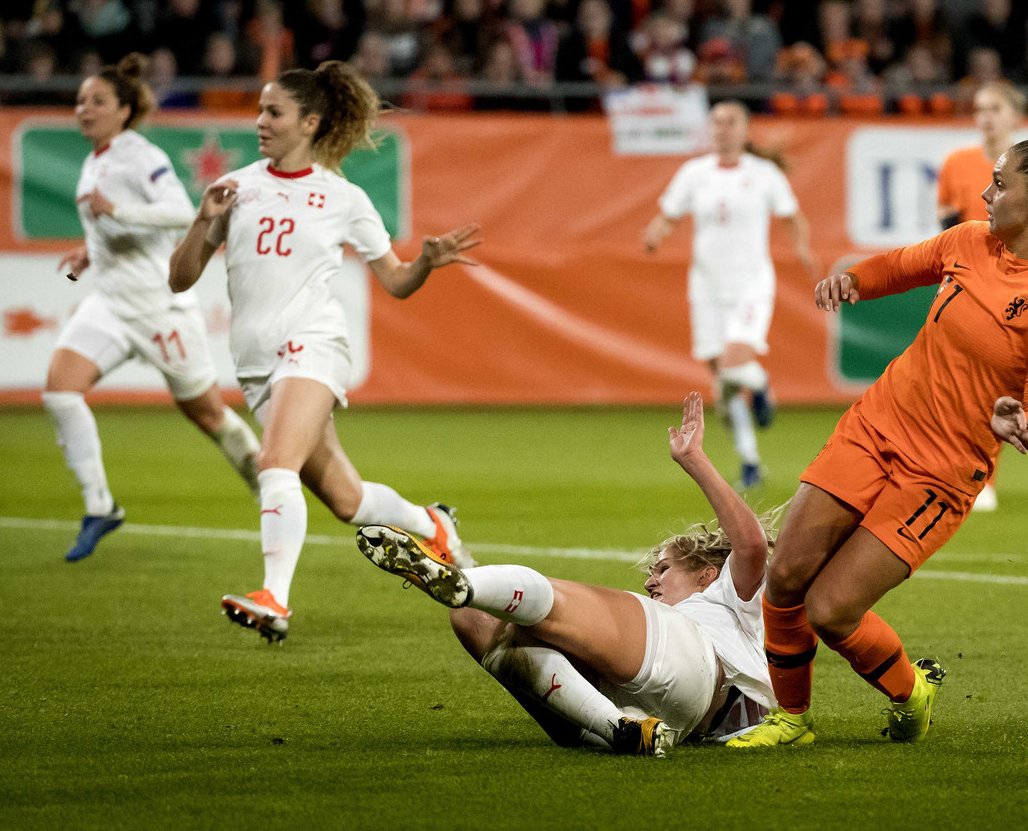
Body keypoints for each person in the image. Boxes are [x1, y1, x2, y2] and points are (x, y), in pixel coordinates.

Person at [729, 138, 1028, 747]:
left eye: (999, 185)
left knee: (831, 610)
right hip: (875, 427)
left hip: (939, 476)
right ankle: (791, 721)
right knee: (785, 578)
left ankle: (911, 693)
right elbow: (900, 267)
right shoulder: (968, 241)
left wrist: (1024, 428)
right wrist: (850, 282)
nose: (986, 194)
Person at [168, 61, 481, 643]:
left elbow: (394, 280)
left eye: (274, 112)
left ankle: (274, 600)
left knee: (274, 464)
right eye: (260, 110)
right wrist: (201, 219)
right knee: (347, 500)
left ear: (310, 122)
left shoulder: (343, 197)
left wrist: (425, 265)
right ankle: (430, 523)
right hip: (258, 365)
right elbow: (180, 279)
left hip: (312, 346)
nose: (260, 121)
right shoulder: (235, 189)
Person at [355, 393, 776, 755]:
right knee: (473, 618)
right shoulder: (722, 634)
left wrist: (694, 459)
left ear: (707, 575)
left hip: (696, 667)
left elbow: (751, 545)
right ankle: (620, 729)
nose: (650, 582)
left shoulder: (729, 599)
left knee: (550, 606)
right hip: (668, 721)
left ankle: (464, 580)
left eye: (663, 569)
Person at [46, 53, 261, 563]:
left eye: (97, 100)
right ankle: (100, 505)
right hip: (111, 302)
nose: (84, 108)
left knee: (209, 416)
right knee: (59, 391)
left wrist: (117, 211)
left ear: (124, 110)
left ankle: (269, 487)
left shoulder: (138, 154)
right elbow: (112, 226)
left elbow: (179, 212)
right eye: (80, 100)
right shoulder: (96, 158)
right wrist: (90, 248)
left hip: (158, 306)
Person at [642, 101, 818, 490]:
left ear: (745, 129)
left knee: (734, 365)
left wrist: (803, 249)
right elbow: (669, 213)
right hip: (706, 286)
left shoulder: (764, 174)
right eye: (717, 122)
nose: (722, 128)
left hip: (751, 284)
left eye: (730, 122)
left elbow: (793, 216)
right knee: (722, 386)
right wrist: (655, 234)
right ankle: (751, 461)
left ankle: (761, 383)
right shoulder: (695, 173)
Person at [934, 79, 1028, 512]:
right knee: (956, 385)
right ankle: (959, 472)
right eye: (979, 109)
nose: (985, 117)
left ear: (1014, 115)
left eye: (994, 108)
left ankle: (983, 477)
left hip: (1017, 287)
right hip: (968, 286)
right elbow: (948, 227)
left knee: (1000, 385)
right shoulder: (957, 163)